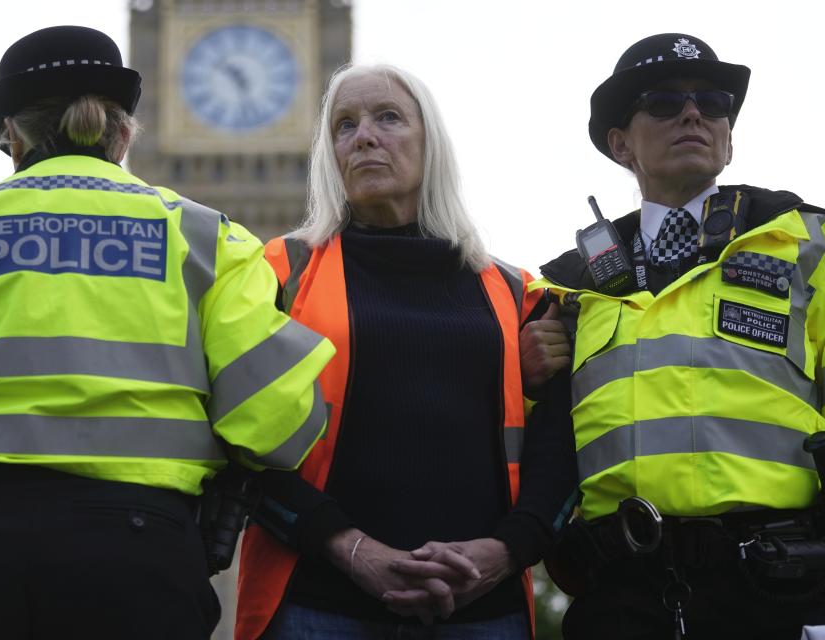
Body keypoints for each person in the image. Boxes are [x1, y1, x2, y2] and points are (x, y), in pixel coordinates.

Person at [0, 25, 333, 640]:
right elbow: (275, 420)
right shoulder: (210, 241)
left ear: (12, 134)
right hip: (137, 553)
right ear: (123, 133)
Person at [234, 63, 578, 640]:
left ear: (431, 143)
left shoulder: (517, 294)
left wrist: (506, 550)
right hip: (313, 601)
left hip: (482, 607)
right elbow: (236, 439)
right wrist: (351, 549)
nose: (364, 135)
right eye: (344, 125)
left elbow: (564, 441)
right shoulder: (278, 273)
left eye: (387, 117)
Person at [537, 33, 825, 639]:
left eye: (712, 99)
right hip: (620, 597)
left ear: (729, 135)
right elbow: (530, 459)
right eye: (663, 102)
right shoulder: (568, 292)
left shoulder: (813, 245)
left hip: (779, 592)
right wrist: (524, 372)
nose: (694, 113)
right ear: (620, 143)